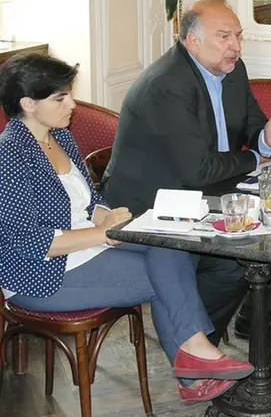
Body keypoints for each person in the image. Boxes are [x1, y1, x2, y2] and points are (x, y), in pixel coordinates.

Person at [0, 53, 255, 402]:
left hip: (84, 248)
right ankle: (193, 365)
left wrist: (107, 213)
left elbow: (88, 202)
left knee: (167, 242)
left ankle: (194, 359)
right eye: (61, 98)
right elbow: (27, 243)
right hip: (40, 274)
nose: (72, 104)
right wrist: (102, 233)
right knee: (167, 276)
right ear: (28, 103)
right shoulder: (10, 155)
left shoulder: (58, 139)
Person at [102, 0, 271, 351]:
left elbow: (251, 124)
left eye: (238, 36)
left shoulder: (232, 69)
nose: (235, 46)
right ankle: (199, 346)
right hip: (153, 202)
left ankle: (257, 317)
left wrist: (265, 137)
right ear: (192, 41)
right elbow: (196, 169)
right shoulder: (167, 84)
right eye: (224, 36)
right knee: (232, 263)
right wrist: (256, 159)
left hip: (203, 185)